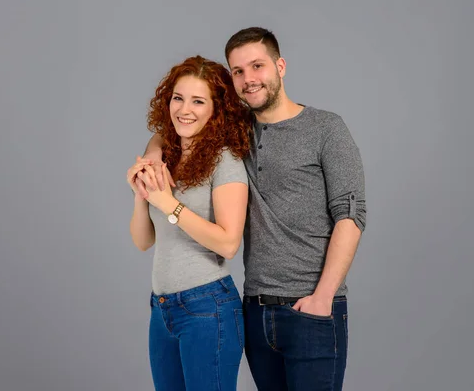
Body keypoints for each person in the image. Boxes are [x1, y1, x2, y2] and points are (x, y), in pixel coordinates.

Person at [138, 27, 367, 391]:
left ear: (280, 66)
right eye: (238, 71)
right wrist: (153, 156)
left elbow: (351, 216)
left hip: (313, 307)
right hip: (257, 309)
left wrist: (324, 297)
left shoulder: (326, 129)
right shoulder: (237, 129)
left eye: (257, 66)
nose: (249, 79)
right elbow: (178, 123)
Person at [126, 55, 252, 391]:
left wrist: (169, 203)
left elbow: (228, 242)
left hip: (207, 309)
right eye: (178, 98)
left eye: (199, 101)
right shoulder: (165, 154)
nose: (185, 109)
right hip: (162, 309)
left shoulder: (225, 161)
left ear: (216, 109)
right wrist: (142, 196)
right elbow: (143, 241)